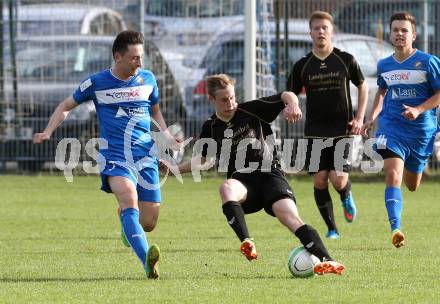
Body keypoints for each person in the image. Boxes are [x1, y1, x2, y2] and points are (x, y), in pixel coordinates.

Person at [163, 74, 345, 275]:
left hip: (270, 176)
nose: (230, 103)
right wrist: (174, 170)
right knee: (226, 187)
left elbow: (287, 94)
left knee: (291, 218)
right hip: (244, 184)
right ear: (211, 100)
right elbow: (204, 160)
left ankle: (328, 260)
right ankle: (246, 241)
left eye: (232, 97)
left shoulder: (252, 109)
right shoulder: (211, 127)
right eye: (224, 99)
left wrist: (293, 105)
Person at [33, 30, 177, 279]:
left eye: (141, 57)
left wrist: (165, 135)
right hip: (115, 155)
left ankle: (126, 223)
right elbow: (66, 106)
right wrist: (48, 131)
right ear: (117, 56)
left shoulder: (148, 79)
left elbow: (154, 110)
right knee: (128, 199)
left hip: (145, 155)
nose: (139, 63)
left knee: (150, 221)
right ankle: (147, 262)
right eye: (134, 58)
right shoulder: (97, 82)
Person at [286, 11, 368, 239]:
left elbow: (363, 86)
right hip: (314, 131)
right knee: (320, 179)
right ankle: (332, 228)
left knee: (338, 178)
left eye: (325, 28)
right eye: (316, 28)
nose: (321, 31)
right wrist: (291, 105)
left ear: (332, 31)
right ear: (310, 32)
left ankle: (345, 195)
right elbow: (289, 93)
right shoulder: (302, 65)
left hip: (342, 129)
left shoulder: (345, 59)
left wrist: (359, 117)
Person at [361, 12, 440, 248]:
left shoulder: (428, 62)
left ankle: (414, 168)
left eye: (404, 30)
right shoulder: (384, 65)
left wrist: (418, 109)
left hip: (421, 132)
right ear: (390, 34)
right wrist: (371, 118)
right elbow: (382, 92)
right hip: (392, 126)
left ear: (413, 35)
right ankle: (396, 228)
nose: (399, 34)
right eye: (395, 30)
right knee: (392, 173)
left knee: (412, 184)